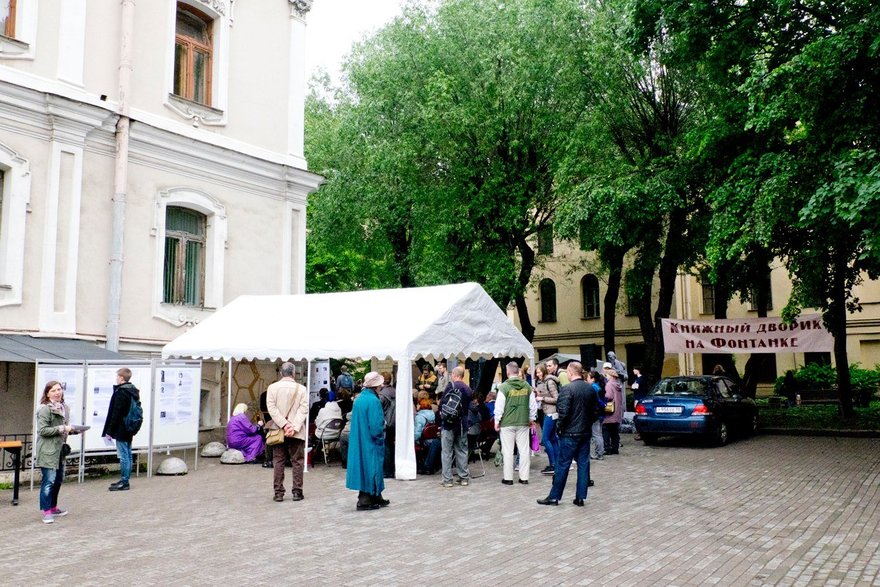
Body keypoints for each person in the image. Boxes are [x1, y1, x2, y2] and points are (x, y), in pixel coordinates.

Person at [537, 361, 597, 507]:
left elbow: (563, 412)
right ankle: (580, 497)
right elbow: (595, 411)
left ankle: (554, 497)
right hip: (585, 432)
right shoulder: (590, 389)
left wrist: (560, 428)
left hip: (570, 433)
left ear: (570, 372)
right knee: (583, 464)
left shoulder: (567, 389)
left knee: (563, 464)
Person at [346, 371, 389, 510]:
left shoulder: (359, 399)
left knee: (364, 467)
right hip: (371, 441)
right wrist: (382, 432)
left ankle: (375, 495)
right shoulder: (373, 401)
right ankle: (366, 499)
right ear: (376, 385)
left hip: (360, 438)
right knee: (372, 467)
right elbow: (376, 426)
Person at [266, 362, 309, 502]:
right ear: (294, 373)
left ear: (281, 373)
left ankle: (278, 493)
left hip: (278, 430)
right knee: (297, 461)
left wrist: (284, 425)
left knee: (278, 460)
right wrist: (293, 426)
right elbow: (304, 409)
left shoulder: (272, 388)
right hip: (296, 432)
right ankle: (297, 492)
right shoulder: (302, 389)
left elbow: (271, 409)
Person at [36, 381, 76, 523]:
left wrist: (74, 431)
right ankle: (46, 511)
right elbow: (42, 430)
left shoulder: (64, 407)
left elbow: (65, 428)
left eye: (59, 389)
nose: (58, 392)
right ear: (47, 393)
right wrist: (62, 428)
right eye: (53, 390)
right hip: (48, 450)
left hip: (59, 450)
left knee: (58, 480)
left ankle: (53, 507)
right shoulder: (45, 409)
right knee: (49, 481)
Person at [495, 361, 537, 485]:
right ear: (518, 372)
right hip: (523, 422)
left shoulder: (504, 387)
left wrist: (497, 421)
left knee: (507, 451)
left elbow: (499, 407)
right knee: (524, 451)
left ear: (507, 372)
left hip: (507, 423)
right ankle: (524, 477)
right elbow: (533, 405)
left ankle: (508, 478)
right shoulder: (527, 386)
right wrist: (531, 419)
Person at [102, 367, 140, 492]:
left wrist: (109, 430)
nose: (116, 379)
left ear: (122, 378)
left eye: (117, 377)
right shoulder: (132, 391)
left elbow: (116, 413)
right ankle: (125, 479)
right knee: (128, 454)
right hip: (130, 426)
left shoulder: (121, 392)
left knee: (124, 455)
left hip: (122, 428)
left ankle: (125, 481)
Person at [439, 366, 472, 487]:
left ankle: (447, 480)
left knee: (447, 452)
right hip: (462, 424)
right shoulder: (468, 389)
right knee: (462, 450)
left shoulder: (450, 387)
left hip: (448, 424)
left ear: (454, 374)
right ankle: (463, 478)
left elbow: (442, 403)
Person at [534, 363, 560, 476]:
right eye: (537, 372)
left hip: (551, 413)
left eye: (539, 372)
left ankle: (553, 464)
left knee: (545, 439)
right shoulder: (545, 382)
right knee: (553, 438)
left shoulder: (549, 382)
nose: (538, 374)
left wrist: (542, 398)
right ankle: (558, 463)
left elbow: (556, 398)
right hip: (549, 412)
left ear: (544, 371)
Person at [602, 362, 624, 455]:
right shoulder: (617, 384)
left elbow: (609, 396)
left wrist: (602, 398)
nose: (606, 377)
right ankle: (615, 448)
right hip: (617, 410)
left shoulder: (609, 384)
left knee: (605, 429)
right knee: (614, 431)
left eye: (606, 375)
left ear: (610, 376)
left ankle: (607, 448)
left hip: (610, 411)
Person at [378, 371, 396, 478]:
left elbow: (379, 409)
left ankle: (387, 470)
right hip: (396, 422)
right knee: (392, 445)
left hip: (386, 423)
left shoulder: (382, 394)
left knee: (387, 446)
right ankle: (392, 468)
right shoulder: (395, 391)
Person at [587, 370, 606, 460]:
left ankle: (599, 453)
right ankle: (599, 452)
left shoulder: (593, 388)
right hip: (599, 413)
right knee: (598, 433)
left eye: (588, 377)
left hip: (594, 413)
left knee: (596, 434)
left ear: (593, 379)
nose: (586, 379)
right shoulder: (599, 386)